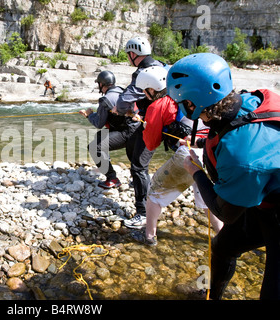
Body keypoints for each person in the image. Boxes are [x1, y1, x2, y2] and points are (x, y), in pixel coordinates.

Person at [167, 52, 280, 299]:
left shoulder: (244, 161)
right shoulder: (249, 100)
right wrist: (201, 141)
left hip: (273, 207)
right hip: (262, 194)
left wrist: (195, 171)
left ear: (192, 104)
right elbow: (235, 126)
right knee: (222, 247)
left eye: (180, 102)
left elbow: (224, 212)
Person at [125, 66, 223, 246]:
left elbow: (151, 143)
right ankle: (224, 236)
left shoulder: (159, 104)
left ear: (151, 89)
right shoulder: (188, 96)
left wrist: (148, 127)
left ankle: (149, 237)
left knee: (154, 191)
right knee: (208, 200)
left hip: (188, 154)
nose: (145, 95)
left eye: (145, 91)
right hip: (210, 150)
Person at [114, 36, 167, 227]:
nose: (128, 57)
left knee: (138, 166)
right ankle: (144, 186)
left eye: (128, 54)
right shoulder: (162, 66)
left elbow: (122, 101)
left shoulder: (143, 73)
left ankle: (142, 213)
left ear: (133, 53)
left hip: (152, 123)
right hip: (161, 120)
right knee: (133, 149)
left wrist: (120, 111)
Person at [79, 70, 126, 188]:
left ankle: (112, 178)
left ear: (101, 84)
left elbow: (99, 123)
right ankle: (105, 163)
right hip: (132, 130)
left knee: (94, 147)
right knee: (100, 136)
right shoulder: (122, 91)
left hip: (125, 133)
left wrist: (88, 115)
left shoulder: (106, 99)